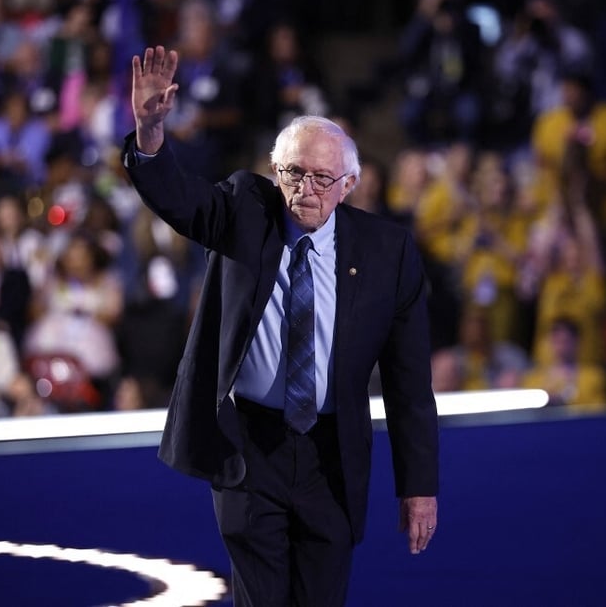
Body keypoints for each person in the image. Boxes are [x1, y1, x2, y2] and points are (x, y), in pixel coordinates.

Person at [124, 45, 439, 607]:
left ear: (350, 185)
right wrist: (150, 135)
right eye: (294, 174)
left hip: (331, 453)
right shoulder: (246, 209)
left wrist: (418, 486)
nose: (305, 191)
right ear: (275, 171)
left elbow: (409, 383)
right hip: (250, 446)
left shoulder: (388, 252)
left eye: (322, 179)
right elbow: (181, 199)